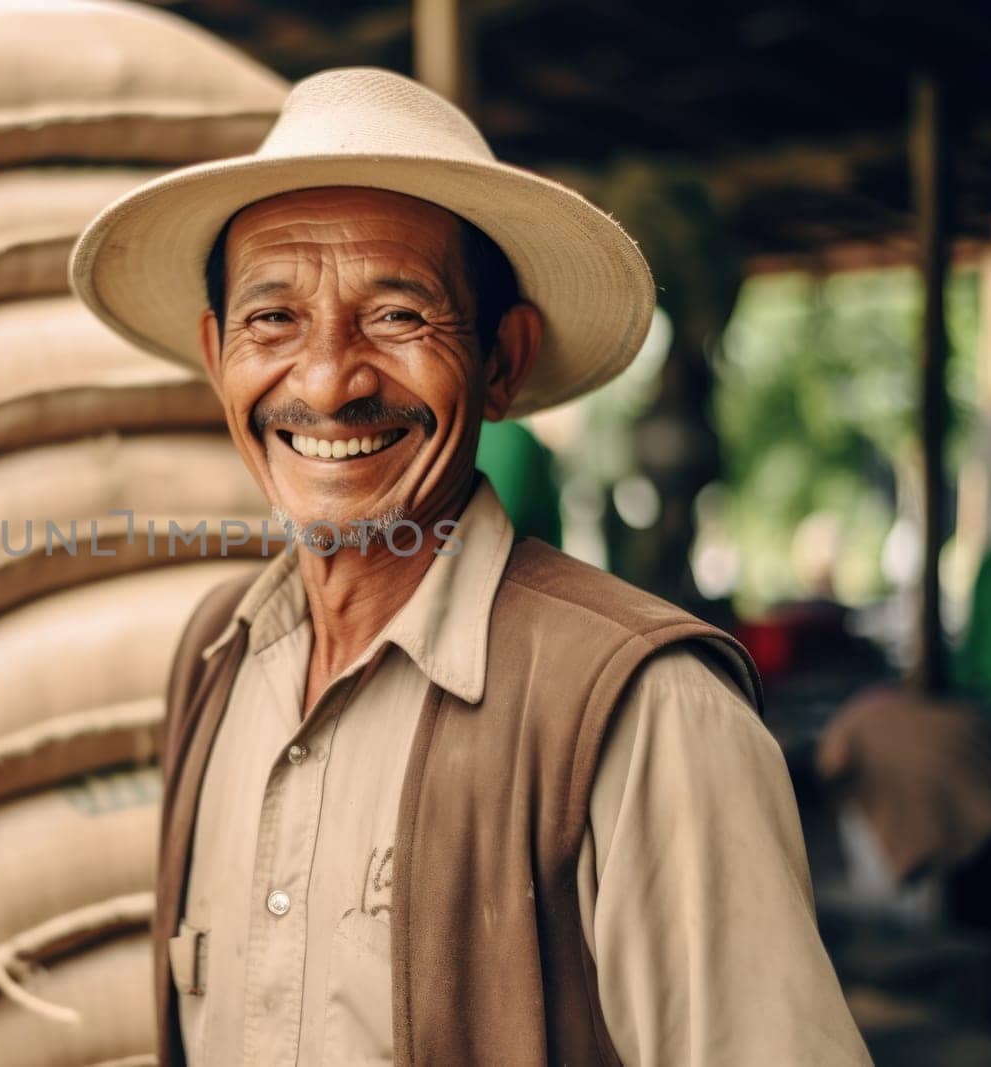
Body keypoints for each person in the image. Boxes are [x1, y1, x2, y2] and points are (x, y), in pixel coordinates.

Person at [73, 67, 869, 1065]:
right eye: (272, 318)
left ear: (501, 361)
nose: (326, 378)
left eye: (398, 315)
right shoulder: (216, 662)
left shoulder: (646, 712)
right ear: (215, 353)